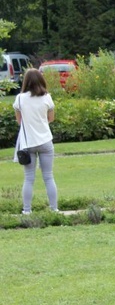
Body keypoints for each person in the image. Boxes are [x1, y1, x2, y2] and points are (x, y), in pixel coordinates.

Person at [13, 69, 58, 214]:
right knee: (48, 176)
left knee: (29, 178)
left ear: (26, 81)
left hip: (28, 143)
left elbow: (19, 122)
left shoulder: (20, 99)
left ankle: (27, 210)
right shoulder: (47, 97)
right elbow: (50, 119)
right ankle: (53, 209)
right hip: (45, 140)